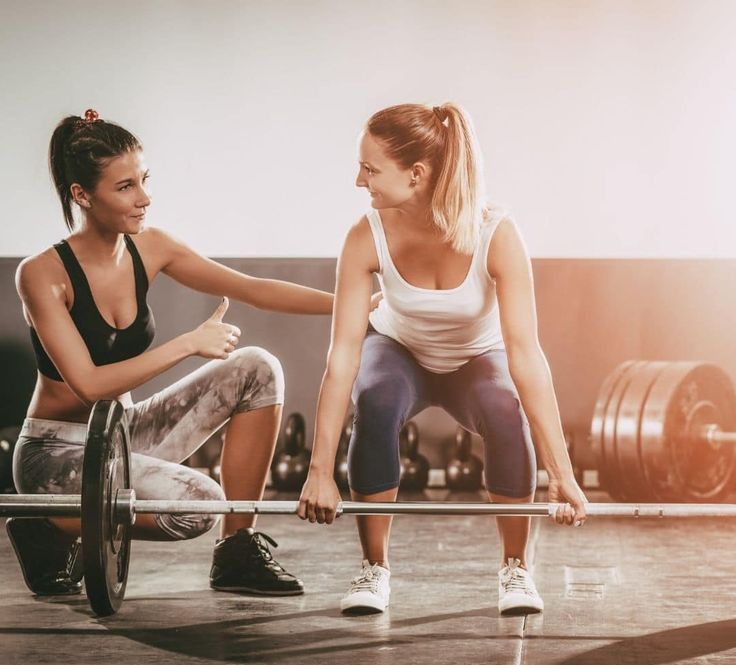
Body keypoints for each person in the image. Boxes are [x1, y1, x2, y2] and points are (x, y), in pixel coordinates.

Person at [9, 109, 333, 599]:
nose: (144, 198)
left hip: (122, 435)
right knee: (199, 505)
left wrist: (357, 307)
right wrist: (187, 344)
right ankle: (50, 525)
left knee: (256, 368)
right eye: (124, 187)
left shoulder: (151, 247)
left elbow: (253, 288)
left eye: (144, 179)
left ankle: (237, 550)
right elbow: (91, 384)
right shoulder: (41, 273)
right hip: (57, 453)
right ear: (82, 195)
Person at [297, 102, 588, 615]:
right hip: (398, 351)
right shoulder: (366, 235)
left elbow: (525, 355)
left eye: (370, 169)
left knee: (504, 407)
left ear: (417, 173)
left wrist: (559, 472)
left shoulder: (496, 232)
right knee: (376, 399)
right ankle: (374, 570)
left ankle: (516, 567)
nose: (358, 180)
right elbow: (342, 356)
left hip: (477, 358)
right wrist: (320, 470)